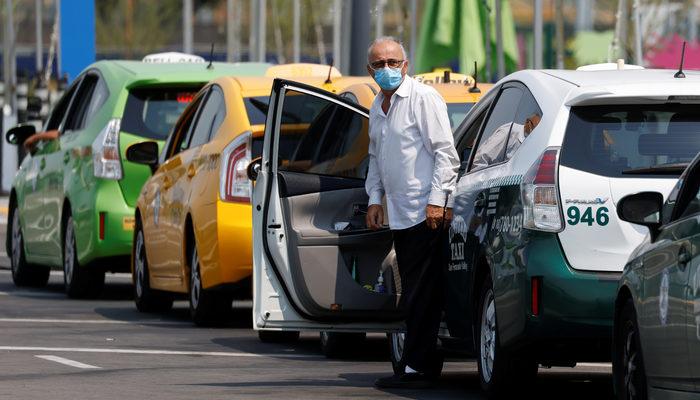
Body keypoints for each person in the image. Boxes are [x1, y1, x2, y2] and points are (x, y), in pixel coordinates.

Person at [364, 37, 459, 389]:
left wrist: (438, 200)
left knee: (421, 293)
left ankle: (417, 367)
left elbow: (446, 154)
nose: (387, 69)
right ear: (369, 70)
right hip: (400, 214)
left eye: (393, 61)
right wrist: (375, 198)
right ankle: (420, 363)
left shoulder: (423, 99)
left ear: (406, 65)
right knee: (416, 291)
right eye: (379, 64)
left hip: (425, 212)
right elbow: (377, 157)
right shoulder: (377, 106)